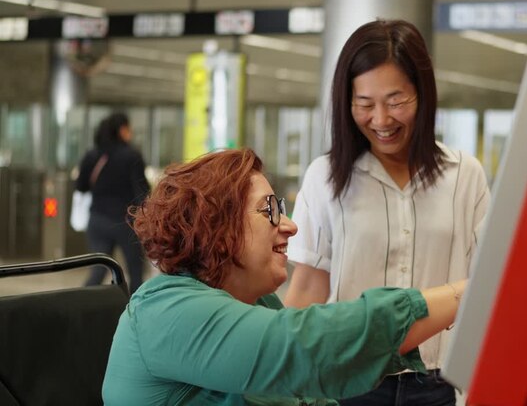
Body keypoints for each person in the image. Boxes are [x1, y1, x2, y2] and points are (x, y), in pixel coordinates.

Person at [102, 148, 468, 406]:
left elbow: (306, 390)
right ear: (215, 224)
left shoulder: (250, 299)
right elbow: (306, 347)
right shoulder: (167, 311)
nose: (290, 226)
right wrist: (462, 296)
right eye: (270, 210)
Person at [284, 19, 490, 406]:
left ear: (422, 95)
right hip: (348, 380)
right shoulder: (325, 177)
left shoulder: (465, 175)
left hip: (438, 384)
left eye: (396, 101)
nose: (381, 120)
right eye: (364, 104)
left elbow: (485, 286)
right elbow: (309, 290)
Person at [75, 112, 150, 293]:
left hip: (98, 219)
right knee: (135, 271)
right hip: (126, 222)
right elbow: (142, 192)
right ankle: (135, 313)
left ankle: (80, 307)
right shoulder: (132, 156)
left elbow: (81, 186)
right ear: (122, 130)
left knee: (98, 270)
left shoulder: (92, 155)